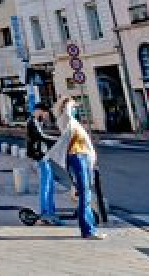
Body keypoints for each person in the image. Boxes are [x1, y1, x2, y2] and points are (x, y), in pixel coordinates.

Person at [49, 97, 105, 240]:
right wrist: (69, 103)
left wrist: (92, 159)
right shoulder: (65, 120)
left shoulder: (74, 122)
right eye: (73, 107)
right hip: (76, 157)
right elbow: (67, 114)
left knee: (85, 193)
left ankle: (89, 228)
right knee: (85, 194)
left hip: (83, 157)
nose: (74, 110)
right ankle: (88, 230)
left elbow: (87, 143)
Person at [26, 101, 61, 224]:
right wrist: (57, 140)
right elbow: (40, 137)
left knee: (49, 184)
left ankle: (50, 211)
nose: (46, 116)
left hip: (44, 155)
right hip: (40, 156)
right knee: (45, 185)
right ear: (40, 111)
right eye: (45, 113)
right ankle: (45, 213)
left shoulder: (37, 122)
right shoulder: (32, 122)